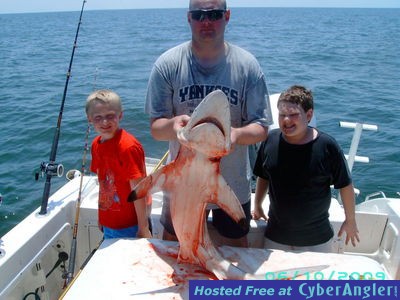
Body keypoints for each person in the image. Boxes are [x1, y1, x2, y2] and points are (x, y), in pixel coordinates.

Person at [145, 0, 272, 247]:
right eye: (199, 15)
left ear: (227, 16)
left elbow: (261, 128)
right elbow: (156, 128)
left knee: (237, 246)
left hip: (232, 183)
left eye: (214, 14)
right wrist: (173, 126)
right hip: (183, 182)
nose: (206, 22)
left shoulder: (247, 67)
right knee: (173, 242)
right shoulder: (167, 65)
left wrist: (235, 135)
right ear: (188, 17)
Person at [252, 85, 360, 252]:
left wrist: (350, 220)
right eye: (282, 115)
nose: (286, 120)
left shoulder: (327, 146)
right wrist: (258, 204)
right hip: (276, 235)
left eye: (293, 115)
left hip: (316, 239)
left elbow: (345, 185)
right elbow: (263, 176)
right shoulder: (270, 141)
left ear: (309, 115)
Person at [86, 89, 152, 239]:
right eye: (98, 117)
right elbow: (103, 185)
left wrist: (143, 228)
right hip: (108, 223)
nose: (104, 122)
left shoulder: (128, 147)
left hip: (131, 225)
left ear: (120, 115)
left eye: (110, 116)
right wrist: (101, 217)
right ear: (90, 119)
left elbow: (138, 191)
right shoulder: (96, 145)